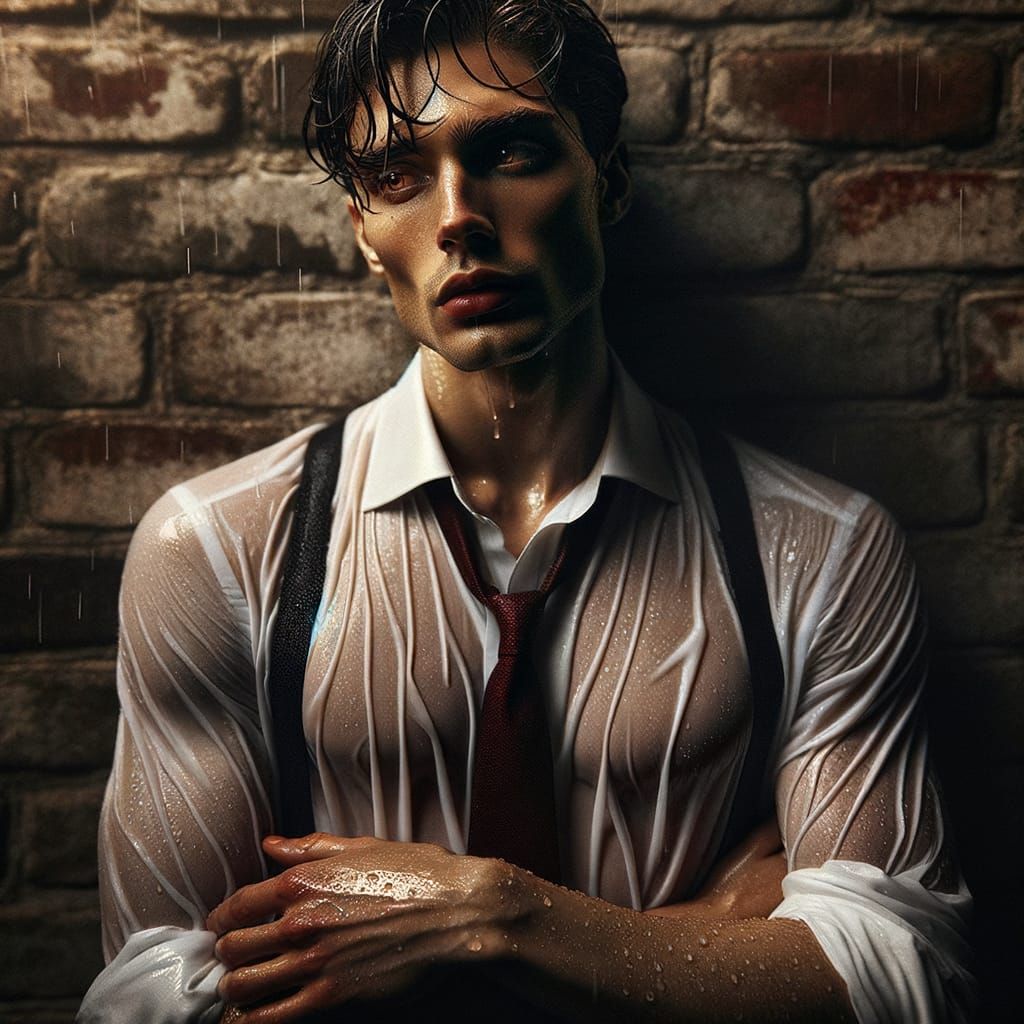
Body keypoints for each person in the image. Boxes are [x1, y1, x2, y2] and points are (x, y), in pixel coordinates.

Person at [78, 1, 974, 1021]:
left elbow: (900, 977)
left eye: (509, 150)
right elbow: (152, 998)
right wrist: (698, 943)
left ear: (610, 179)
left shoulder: (818, 550)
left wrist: (495, 916)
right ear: (365, 234)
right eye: (395, 175)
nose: (456, 213)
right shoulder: (221, 547)